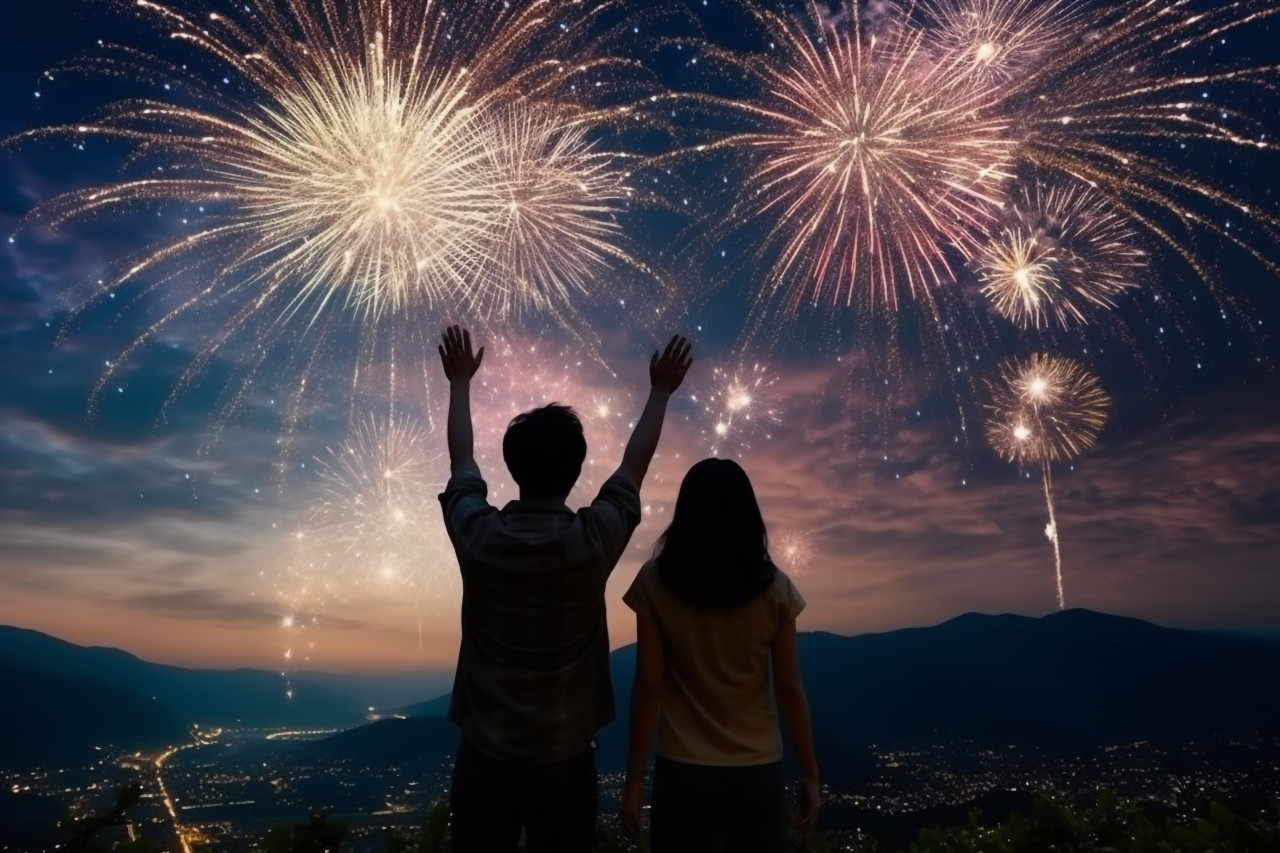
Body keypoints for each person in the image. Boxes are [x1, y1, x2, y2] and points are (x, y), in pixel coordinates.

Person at [436, 325, 693, 853]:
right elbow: (633, 467)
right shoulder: (593, 540)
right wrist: (660, 392)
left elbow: (461, 462)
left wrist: (460, 383)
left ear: (511, 464)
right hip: (566, 758)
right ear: (576, 472)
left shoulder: (478, 535)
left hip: (486, 755)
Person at [620, 457, 819, 852]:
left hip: (683, 774)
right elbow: (789, 687)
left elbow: (649, 684)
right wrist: (810, 774)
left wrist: (635, 778)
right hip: (758, 774)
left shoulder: (655, 583)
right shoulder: (776, 590)